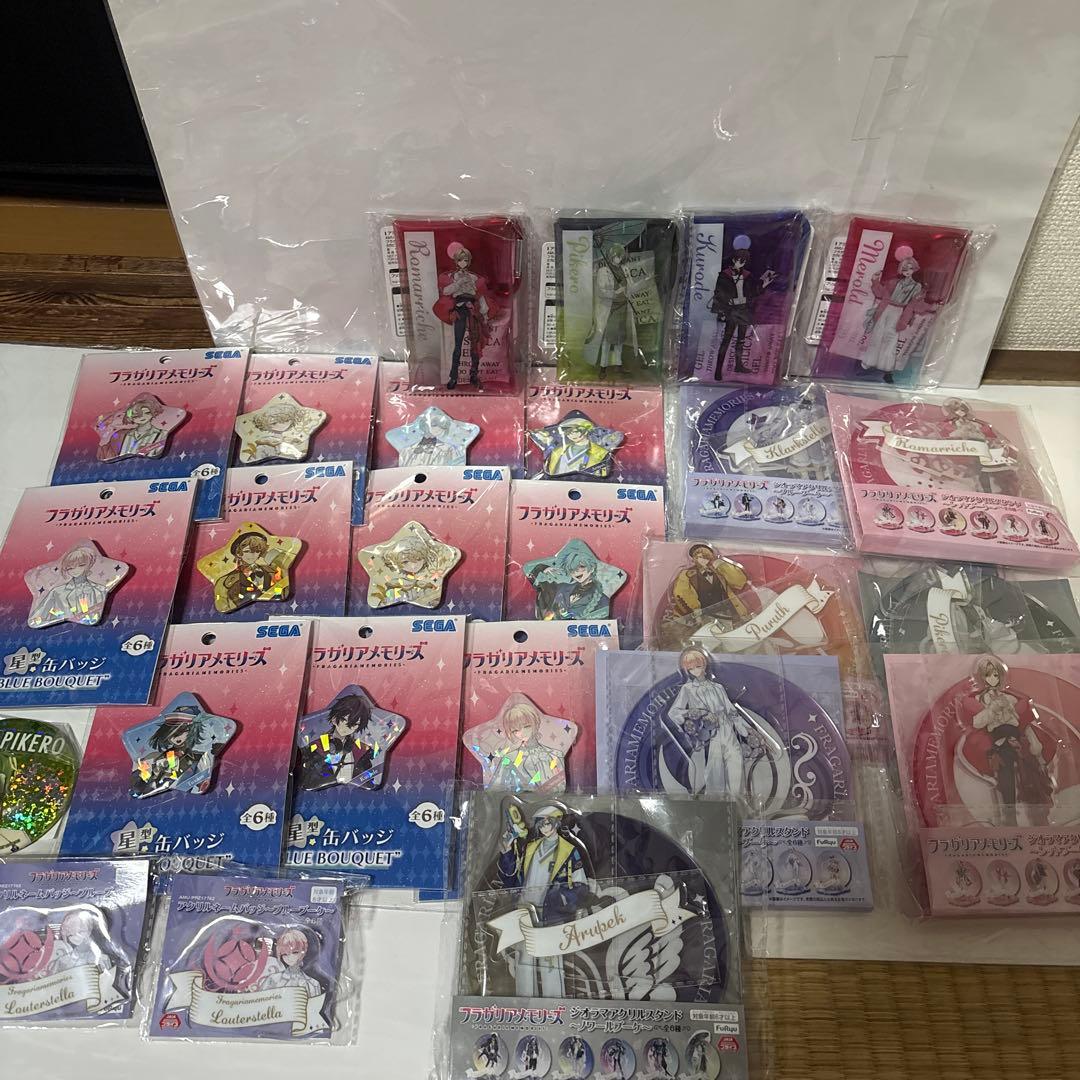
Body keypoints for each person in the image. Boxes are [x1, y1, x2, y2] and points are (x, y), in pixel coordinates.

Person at [497, 805, 589, 996]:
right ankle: (524, 1004)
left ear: (556, 824)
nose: (545, 827)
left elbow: (581, 886)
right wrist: (507, 851)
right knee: (524, 962)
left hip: (551, 915)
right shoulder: (531, 847)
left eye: (549, 823)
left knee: (551, 964)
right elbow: (511, 879)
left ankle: (555, 1004)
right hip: (524, 911)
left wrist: (560, 901)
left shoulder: (569, 851)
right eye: (542, 824)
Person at [959, 657, 1054, 827]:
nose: (992, 679)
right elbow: (977, 723)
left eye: (995, 675)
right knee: (1006, 776)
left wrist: (1034, 741)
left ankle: (1041, 814)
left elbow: (1022, 723)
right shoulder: (979, 700)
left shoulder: (1010, 699)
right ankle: (1010, 817)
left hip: (1017, 739)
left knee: (1033, 774)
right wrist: (992, 710)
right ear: (982, 677)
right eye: (988, 675)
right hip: (999, 741)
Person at [666, 647, 751, 796]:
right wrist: (697, 713)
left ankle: (738, 800)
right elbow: (673, 712)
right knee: (714, 770)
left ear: (704, 665)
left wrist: (745, 729)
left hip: (726, 728)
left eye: (698, 666)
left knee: (736, 762)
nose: (695, 671)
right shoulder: (688, 688)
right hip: (709, 733)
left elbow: (730, 710)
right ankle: (715, 801)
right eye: (691, 669)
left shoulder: (718, 687)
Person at [708, 235, 776, 377]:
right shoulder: (724, 276)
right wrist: (723, 309)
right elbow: (719, 294)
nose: (741, 264)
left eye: (744, 262)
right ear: (733, 260)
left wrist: (765, 283)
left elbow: (753, 292)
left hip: (743, 310)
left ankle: (738, 365)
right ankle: (718, 370)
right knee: (726, 340)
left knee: (741, 340)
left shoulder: (747, 275)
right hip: (732, 312)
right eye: (739, 261)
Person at [860, 246, 928, 379]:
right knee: (877, 334)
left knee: (891, 337)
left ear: (914, 269)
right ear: (901, 270)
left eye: (910, 268)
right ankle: (869, 361)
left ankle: (885, 365)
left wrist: (926, 306)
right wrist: (875, 280)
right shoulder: (893, 282)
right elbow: (880, 293)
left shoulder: (917, 286)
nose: (907, 271)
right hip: (886, 308)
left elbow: (914, 304)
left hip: (898, 311)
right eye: (904, 269)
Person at [434, 242, 492, 389]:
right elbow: (446, 291)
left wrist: (485, 314)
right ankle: (453, 377)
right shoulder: (453, 277)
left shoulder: (474, 278)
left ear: (469, 261)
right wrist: (459, 282)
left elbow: (480, 296)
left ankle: (474, 375)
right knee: (458, 345)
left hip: (472, 310)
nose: (463, 263)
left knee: (475, 344)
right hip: (459, 310)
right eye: (460, 260)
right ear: (456, 261)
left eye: (465, 260)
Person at [297, 693, 376, 790]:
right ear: (334, 719)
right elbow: (307, 780)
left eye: (355, 724)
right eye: (344, 720)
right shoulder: (316, 747)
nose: (348, 726)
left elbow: (368, 781)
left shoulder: (360, 750)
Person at [524, 542, 619, 621]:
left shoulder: (601, 598)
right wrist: (541, 568)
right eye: (572, 569)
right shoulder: (562, 587)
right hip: (551, 632)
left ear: (592, 568)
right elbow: (536, 583)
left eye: (581, 566)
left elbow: (602, 623)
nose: (576, 571)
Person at [584, 242, 637, 377]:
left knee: (620, 338)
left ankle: (618, 365)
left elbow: (631, 286)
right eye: (616, 256)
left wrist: (629, 289)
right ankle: (603, 367)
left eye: (620, 256)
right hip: (610, 309)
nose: (618, 259)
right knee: (607, 339)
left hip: (623, 308)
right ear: (610, 256)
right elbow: (601, 291)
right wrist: (615, 292)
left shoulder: (625, 270)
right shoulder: (604, 271)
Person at [28, 545, 111, 628]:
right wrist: (57, 614)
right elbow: (38, 617)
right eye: (70, 568)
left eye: (81, 565)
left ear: (89, 565)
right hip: (63, 629)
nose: (75, 570)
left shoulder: (100, 589)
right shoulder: (57, 592)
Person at [532, 416, 618, 479]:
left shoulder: (600, 452)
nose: (571, 435)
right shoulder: (558, 451)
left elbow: (602, 471)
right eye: (568, 433)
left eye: (575, 431)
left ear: (585, 431)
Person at [219, 531, 282, 611]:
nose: (252, 555)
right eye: (247, 551)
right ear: (238, 553)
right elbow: (224, 604)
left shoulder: (272, 570)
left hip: (276, 608)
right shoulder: (226, 581)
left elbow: (281, 590)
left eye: (256, 551)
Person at [96, 394, 170, 460]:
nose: (142, 417)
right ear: (130, 417)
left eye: (147, 413)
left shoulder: (162, 434)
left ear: (153, 412)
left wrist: (149, 449)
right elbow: (106, 452)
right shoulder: (120, 435)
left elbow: (158, 449)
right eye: (137, 415)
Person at [256, 928, 322, 995]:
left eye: (295, 952)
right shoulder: (273, 980)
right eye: (285, 954)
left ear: (304, 952)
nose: (290, 957)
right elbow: (261, 998)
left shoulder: (313, 983)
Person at [243, 399, 311, 463]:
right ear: (265, 423)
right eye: (274, 423)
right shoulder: (265, 443)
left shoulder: (290, 440)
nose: (281, 425)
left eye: (286, 420)